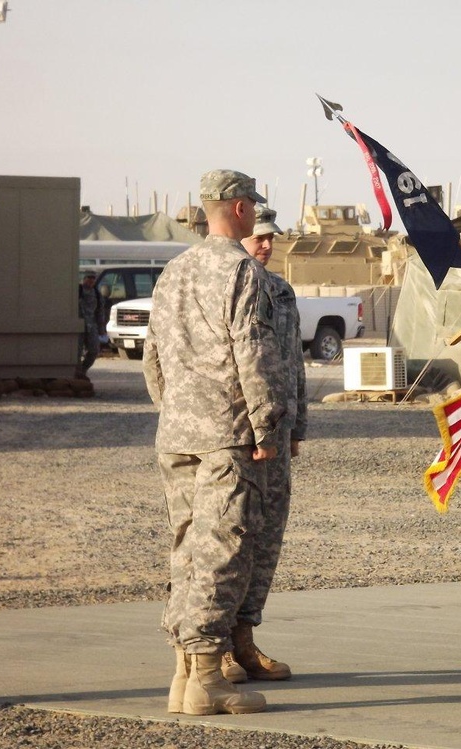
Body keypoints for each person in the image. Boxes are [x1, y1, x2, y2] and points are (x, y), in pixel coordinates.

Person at [143, 169, 285, 716]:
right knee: (222, 550)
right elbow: (254, 352)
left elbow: (152, 359)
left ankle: (183, 674)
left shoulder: (174, 270)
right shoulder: (240, 270)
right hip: (226, 433)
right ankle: (206, 676)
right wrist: (267, 425)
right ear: (242, 208)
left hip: (178, 431)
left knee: (186, 548)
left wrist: (174, 408)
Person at [222, 207, 307, 683]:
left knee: (265, 540)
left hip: (276, 435)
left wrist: (296, 429)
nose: (266, 245)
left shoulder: (281, 291)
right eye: (259, 237)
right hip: (236, 436)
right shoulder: (229, 284)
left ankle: (244, 637)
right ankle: (215, 647)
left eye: (271, 238)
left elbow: (292, 365)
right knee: (228, 538)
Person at [76, 272, 106, 379]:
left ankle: (83, 370)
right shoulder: (77, 292)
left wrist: (101, 329)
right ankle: (77, 373)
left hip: (91, 326)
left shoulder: (97, 294)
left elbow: (100, 312)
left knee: (94, 350)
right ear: (84, 279)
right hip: (78, 326)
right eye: (89, 278)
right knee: (76, 352)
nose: (91, 281)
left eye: (93, 278)